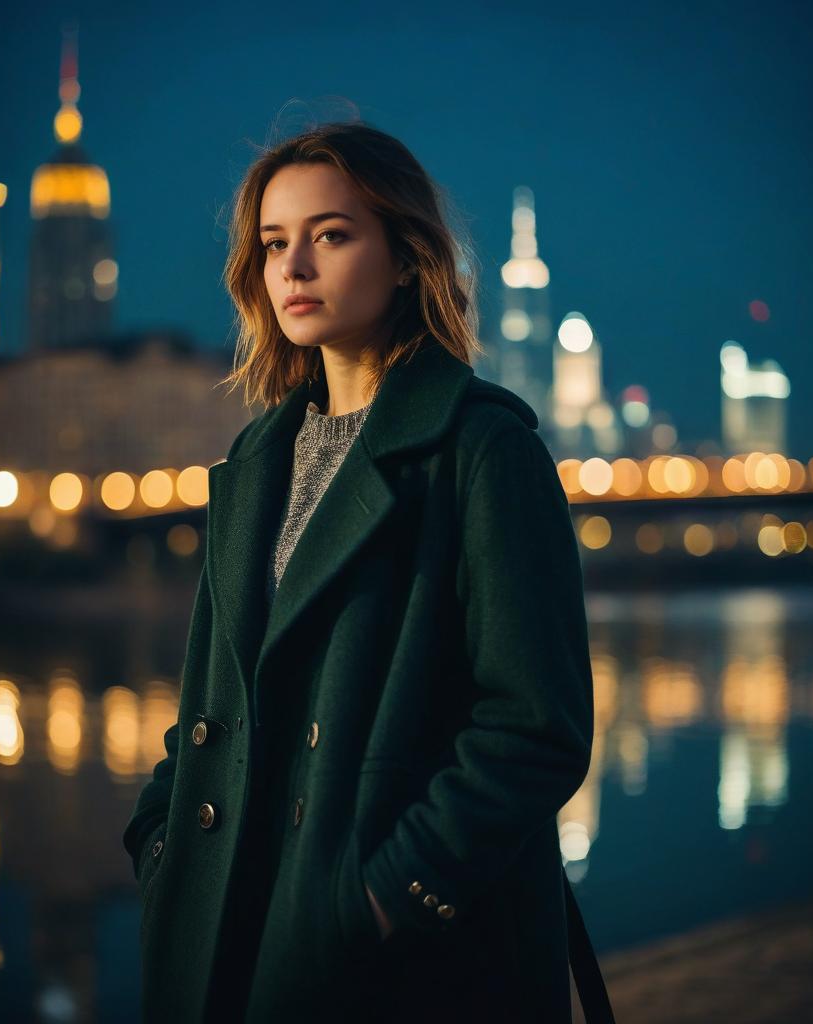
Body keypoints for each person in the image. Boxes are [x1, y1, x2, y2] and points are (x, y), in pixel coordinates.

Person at [122, 120, 615, 1024]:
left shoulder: (482, 450)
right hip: (226, 925)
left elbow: (536, 729)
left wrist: (387, 898)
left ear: (404, 258)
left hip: (392, 962)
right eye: (275, 244)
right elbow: (211, 704)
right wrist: (160, 840)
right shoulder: (254, 462)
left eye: (331, 235)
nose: (294, 268)